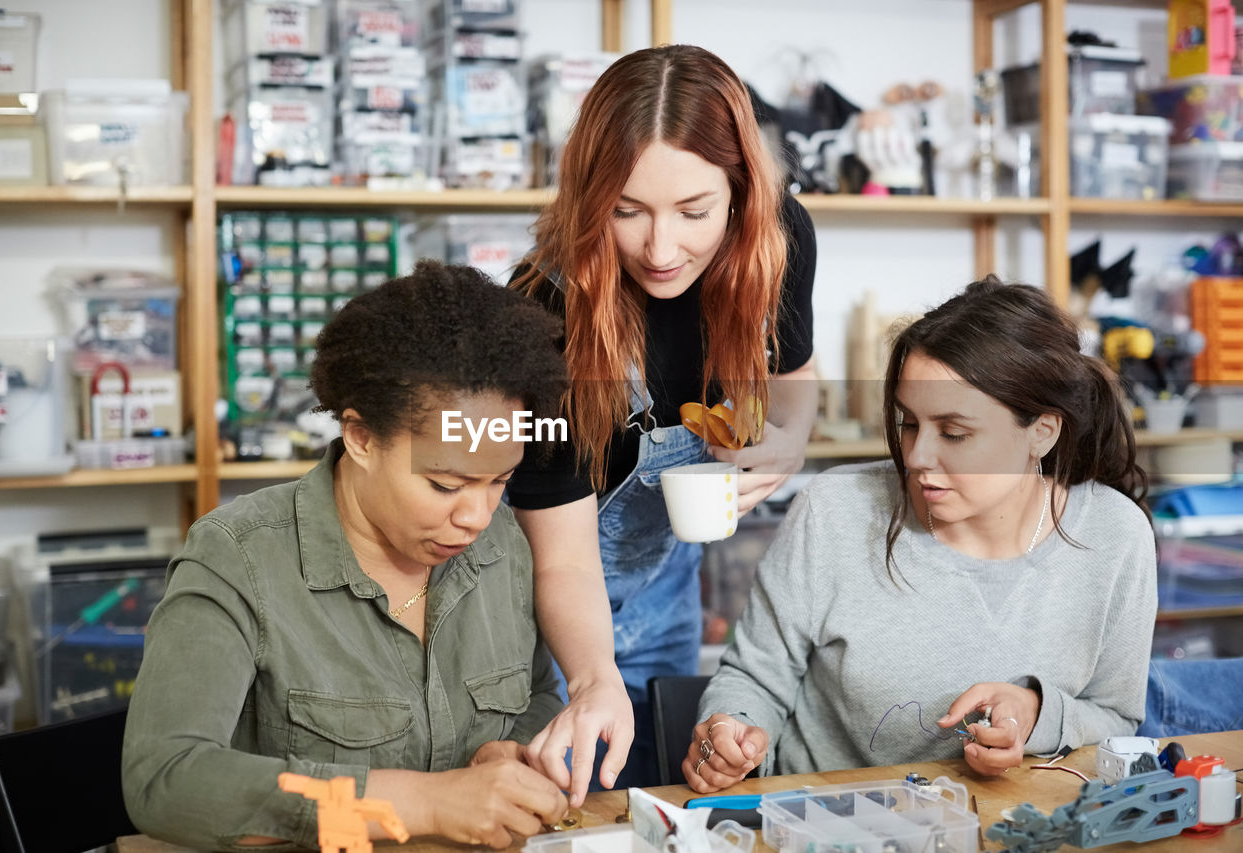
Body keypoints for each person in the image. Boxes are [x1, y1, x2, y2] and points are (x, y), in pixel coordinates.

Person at [122, 261, 572, 850]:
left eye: (499, 481)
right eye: (444, 484)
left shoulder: (503, 545)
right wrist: (420, 802)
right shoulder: (238, 558)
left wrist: (509, 751)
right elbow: (165, 779)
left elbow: (539, 694)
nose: (476, 517)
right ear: (360, 438)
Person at [686, 277, 1157, 790]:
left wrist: (1036, 712)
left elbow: (1117, 720)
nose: (916, 456)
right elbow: (753, 680)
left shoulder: (1116, 536)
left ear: (1042, 431)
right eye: (909, 423)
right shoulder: (833, 510)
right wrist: (730, 732)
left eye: (954, 433)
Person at [506, 43, 819, 796]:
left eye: (694, 211)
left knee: (658, 801)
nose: (661, 247)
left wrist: (787, 441)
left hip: (669, 585)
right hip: (543, 605)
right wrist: (590, 678)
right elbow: (565, 560)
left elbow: (795, 379)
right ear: (590, 197)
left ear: (741, 190)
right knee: (560, 805)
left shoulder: (778, 241)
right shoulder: (547, 312)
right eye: (627, 211)